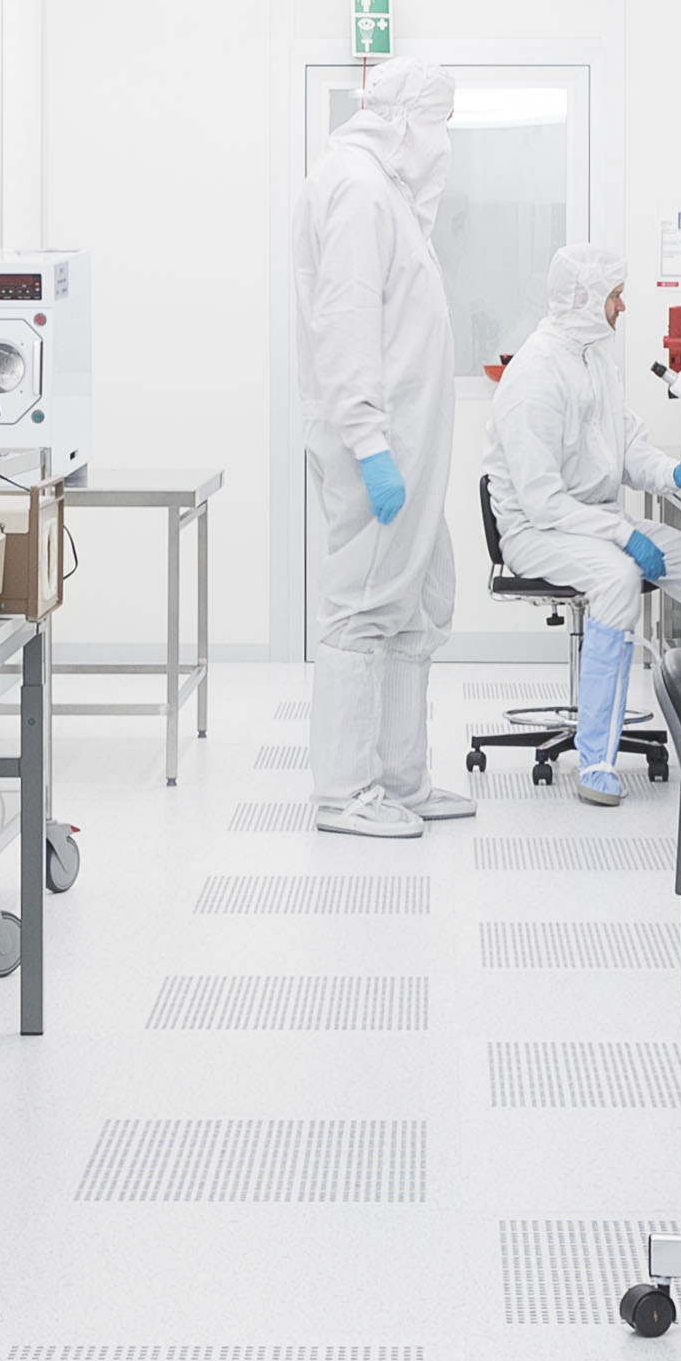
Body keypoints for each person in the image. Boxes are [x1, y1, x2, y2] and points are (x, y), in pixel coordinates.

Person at [289, 55, 475, 838]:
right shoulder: (361, 191)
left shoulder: (384, 193)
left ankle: (399, 779)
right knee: (360, 612)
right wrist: (368, 443)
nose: (443, 143)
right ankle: (344, 792)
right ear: (403, 119)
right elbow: (347, 324)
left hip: (406, 448)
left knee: (415, 608)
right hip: (382, 448)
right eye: (437, 123)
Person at [483, 241, 681, 805]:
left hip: (595, 522)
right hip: (536, 533)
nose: (622, 306)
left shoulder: (595, 362)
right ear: (584, 298)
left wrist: (675, 475)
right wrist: (625, 536)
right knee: (616, 579)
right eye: (615, 295)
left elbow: (628, 447)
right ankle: (596, 761)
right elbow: (542, 502)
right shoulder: (535, 375)